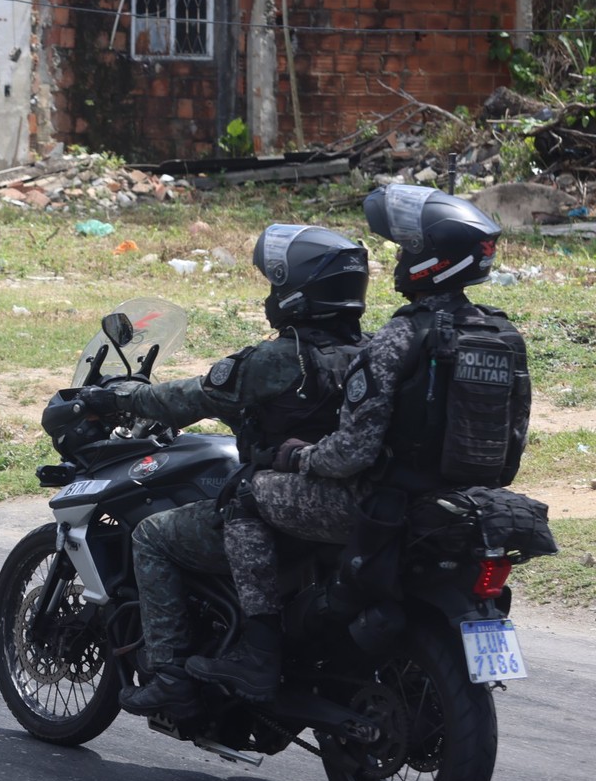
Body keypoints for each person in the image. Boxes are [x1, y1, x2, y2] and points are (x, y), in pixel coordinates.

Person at [182, 184, 531, 703]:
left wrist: (299, 455)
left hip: (384, 504)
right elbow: (514, 440)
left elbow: (351, 454)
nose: (399, 260)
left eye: (408, 250)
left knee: (247, 497)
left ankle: (258, 649)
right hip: (466, 504)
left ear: (430, 261)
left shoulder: (400, 338)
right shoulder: (503, 336)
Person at [76, 224, 370, 717]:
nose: (273, 295)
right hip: (352, 506)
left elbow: (187, 398)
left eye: (278, 285)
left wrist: (120, 394)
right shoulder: (373, 352)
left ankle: (170, 675)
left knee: (153, 536)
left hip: (290, 504)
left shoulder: (280, 359)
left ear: (296, 293)